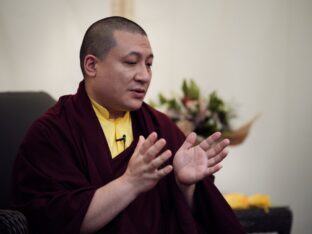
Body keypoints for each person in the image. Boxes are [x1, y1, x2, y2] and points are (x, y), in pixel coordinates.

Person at [11, 16, 244, 234]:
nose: (144, 75)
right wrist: (130, 183)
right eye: (131, 62)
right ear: (91, 65)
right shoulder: (52, 132)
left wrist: (185, 186)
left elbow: (196, 217)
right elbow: (50, 220)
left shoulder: (158, 127)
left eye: (149, 64)